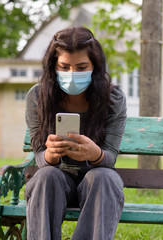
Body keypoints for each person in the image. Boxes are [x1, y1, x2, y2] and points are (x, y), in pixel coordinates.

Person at [25, 26, 127, 240]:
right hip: (55, 183)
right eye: (64, 67)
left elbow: (110, 156)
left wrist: (95, 154)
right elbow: (39, 155)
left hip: (97, 185)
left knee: (104, 176)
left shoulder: (113, 99)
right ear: (53, 66)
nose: (72, 75)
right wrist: (50, 156)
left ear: (95, 67)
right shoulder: (37, 97)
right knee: (46, 175)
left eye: (81, 67)